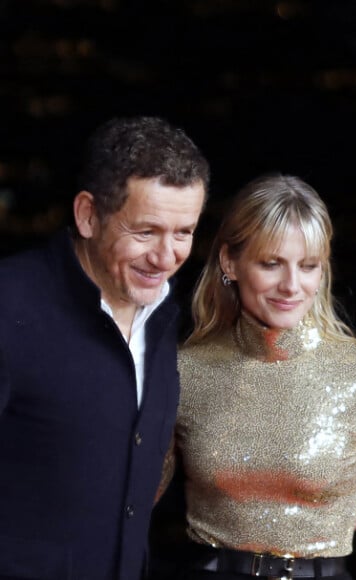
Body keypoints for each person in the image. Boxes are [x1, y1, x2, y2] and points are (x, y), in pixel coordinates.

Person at [162, 174, 356, 580]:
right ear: (230, 263)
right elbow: (128, 501)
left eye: (308, 266)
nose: (291, 286)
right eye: (271, 264)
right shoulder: (184, 371)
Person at [0, 116, 209, 580]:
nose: (165, 256)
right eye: (145, 231)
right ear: (87, 215)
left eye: (183, 232)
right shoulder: (8, 307)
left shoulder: (171, 318)